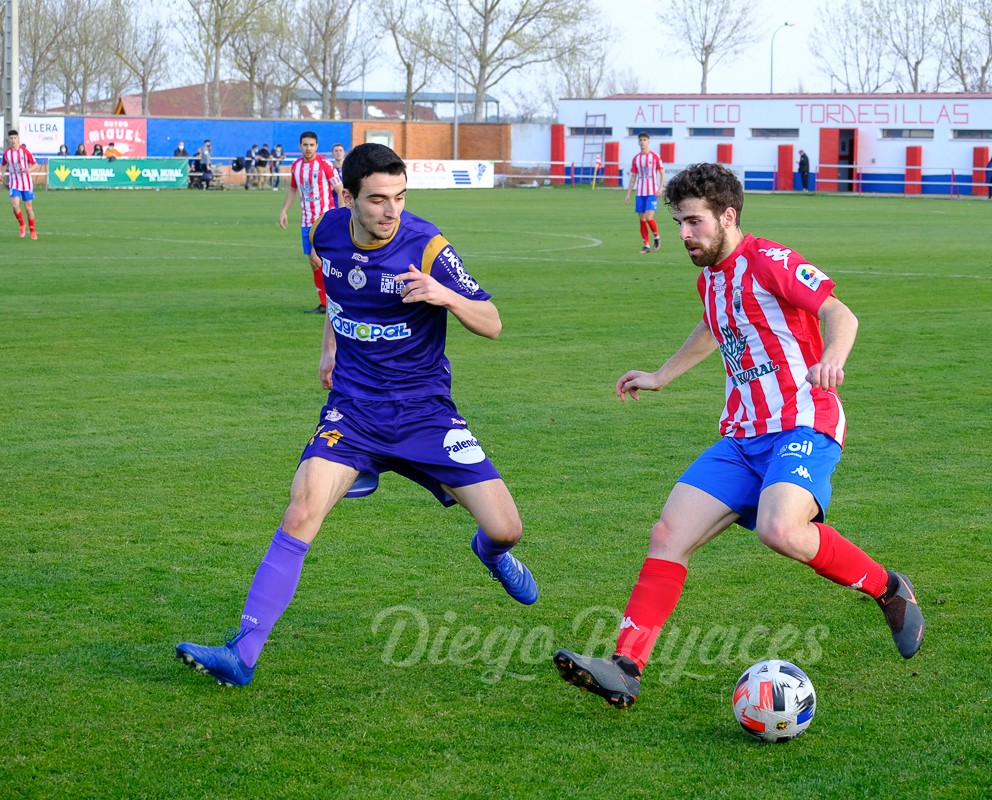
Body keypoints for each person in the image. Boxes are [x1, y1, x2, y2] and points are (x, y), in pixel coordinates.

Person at [552, 162, 925, 709]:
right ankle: (626, 666)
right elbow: (713, 326)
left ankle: (888, 589)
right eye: (678, 222)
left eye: (694, 222)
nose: (683, 234)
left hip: (803, 420)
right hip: (741, 435)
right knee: (667, 535)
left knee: (780, 529)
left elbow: (840, 314)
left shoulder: (771, 260)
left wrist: (833, 359)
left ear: (728, 216)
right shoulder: (710, 277)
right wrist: (661, 376)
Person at [175, 142, 538, 687]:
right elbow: (342, 299)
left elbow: (492, 322)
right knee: (300, 512)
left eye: (399, 196)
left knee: (507, 529)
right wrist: (329, 348)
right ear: (348, 198)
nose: (390, 211)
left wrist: (445, 295)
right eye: (376, 200)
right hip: (354, 409)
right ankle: (241, 653)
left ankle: (488, 553)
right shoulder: (327, 234)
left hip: (425, 414)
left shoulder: (429, 245)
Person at [279, 130, 343, 313]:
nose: (308, 148)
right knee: (314, 262)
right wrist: (284, 210)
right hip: (306, 220)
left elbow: (339, 189)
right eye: (305, 145)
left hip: (325, 219)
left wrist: (342, 213)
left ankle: (336, 298)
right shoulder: (296, 166)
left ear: (317, 146)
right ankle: (325, 303)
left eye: (311, 145)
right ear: (300, 146)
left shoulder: (325, 164)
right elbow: (292, 189)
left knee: (318, 257)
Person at [625, 132, 665, 254]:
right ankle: (646, 245)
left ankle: (657, 237)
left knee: (648, 217)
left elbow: (662, 172)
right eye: (640, 140)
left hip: (652, 192)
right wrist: (628, 193)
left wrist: (660, 187)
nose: (642, 142)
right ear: (638, 142)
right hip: (640, 192)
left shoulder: (655, 157)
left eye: (644, 140)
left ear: (648, 141)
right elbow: (633, 177)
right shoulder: (636, 159)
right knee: (642, 219)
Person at [3, 130, 39, 240]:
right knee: (15, 205)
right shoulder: (7, 154)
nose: (13, 140)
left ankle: (32, 230)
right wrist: (2, 174)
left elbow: (36, 164)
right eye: (11, 138)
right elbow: (3, 164)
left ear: (18, 139)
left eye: (15, 138)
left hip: (26, 184)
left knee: (28, 208)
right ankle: (22, 224)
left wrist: (29, 170)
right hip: (14, 183)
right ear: (8, 140)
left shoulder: (25, 151)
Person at [330, 143, 345, 208]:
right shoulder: (330, 169)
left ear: (344, 153)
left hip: (348, 200)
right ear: (332, 154)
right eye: (336, 151)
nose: (338, 153)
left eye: (340, 150)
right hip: (333, 202)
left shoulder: (350, 168)